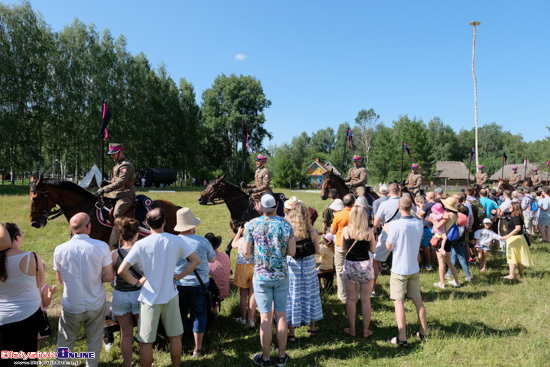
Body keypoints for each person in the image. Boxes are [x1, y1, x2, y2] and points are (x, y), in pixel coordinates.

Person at [118, 208, 200, 367]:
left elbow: (121, 270)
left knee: (146, 342)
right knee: (175, 337)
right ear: (164, 222)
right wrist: (179, 276)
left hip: (148, 298)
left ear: (147, 224)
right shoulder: (177, 240)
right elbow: (195, 260)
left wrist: (136, 282)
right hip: (170, 295)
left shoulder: (141, 244)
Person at [53, 213, 114, 367]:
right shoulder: (101, 246)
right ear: (88, 226)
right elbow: (108, 276)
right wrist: (94, 278)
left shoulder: (60, 249)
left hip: (71, 304)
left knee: (65, 344)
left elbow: (60, 280)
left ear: (71, 228)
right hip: (95, 302)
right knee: (94, 341)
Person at [244, 194, 295, 367]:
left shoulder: (251, 225)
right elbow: (292, 252)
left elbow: (246, 252)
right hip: (281, 274)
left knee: (265, 317)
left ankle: (265, 358)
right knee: (281, 315)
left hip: (261, 275)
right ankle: (281, 356)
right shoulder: (286, 224)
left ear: (259, 206)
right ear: (277, 205)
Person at [385, 197, 428, 347]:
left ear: (399, 207)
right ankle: (424, 332)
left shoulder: (395, 225)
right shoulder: (418, 223)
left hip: (399, 268)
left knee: (398, 302)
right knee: (418, 301)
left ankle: (402, 338)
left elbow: (389, 246)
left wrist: (387, 231)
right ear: (412, 207)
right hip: (413, 267)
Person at [174, 208, 216, 358]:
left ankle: (178, 345)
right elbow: (212, 259)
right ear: (192, 226)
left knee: (179, 315)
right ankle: (197, 349)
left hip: (178, 284)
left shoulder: (173, 241)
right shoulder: (203, 241)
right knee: (199, 315)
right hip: (200, 284)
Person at [0, 223, 44, 363]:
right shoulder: (33, 257)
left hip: (3, 317)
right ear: (17, 237)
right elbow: (40, 284)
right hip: (29, 315)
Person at [286, 201, 323, 342]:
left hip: (293, 267)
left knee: (293, 296)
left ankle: (292, 333)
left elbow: (287, 251)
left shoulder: (289, 231)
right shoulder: (312, 230)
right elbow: (317, 251)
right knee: (311, 294)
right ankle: (312, 328)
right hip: (308, 267)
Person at [111, 218, 142, 367]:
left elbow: (111, 276)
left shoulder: (114, 254)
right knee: (143, 333)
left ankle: (127, 364)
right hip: (140, 294)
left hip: (120, 295)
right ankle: (146, 361)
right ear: (136, 234)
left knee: (126, 333)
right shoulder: (143, 252)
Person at [341, 206, 376, 338]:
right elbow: (373, 250)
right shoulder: (369, 231)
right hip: (365, 265)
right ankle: (366, 331)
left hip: (350, 264)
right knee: (366, 300)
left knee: (351, 299)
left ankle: (352, 329)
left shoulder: (346, 230)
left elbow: (343, 247)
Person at [95, 143, 136, 245]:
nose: (112, 156)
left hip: (126, 194)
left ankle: (123, 238)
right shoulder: (118, 164)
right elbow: (116, 181)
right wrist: (107, 183)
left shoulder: (126, 165)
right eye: (111, 154)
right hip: (116, 193)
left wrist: (104, 189)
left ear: (120, 153)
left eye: (114, 154)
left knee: (117, 213)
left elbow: (121, 182)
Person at [372, 183, 401, 296]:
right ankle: (400, 289)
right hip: (402, 235)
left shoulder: (385, 204)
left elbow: (375, 223)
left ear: (389, 191)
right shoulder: (404, 202)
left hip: (387, 234)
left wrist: (382, 223)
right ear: (399, 191)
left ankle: (373, 289)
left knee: (375, 260)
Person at [430, 197, 461, 289]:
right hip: (448, 240)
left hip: (441, 238)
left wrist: (431, 220)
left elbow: (438, 226)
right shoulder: (456, 215)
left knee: (441, 262)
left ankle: (442, 283)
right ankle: (456, 281)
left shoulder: (447, 215)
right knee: (448, 261)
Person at [331, 194, 355, 303]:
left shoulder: (339, 214)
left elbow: (332, 231)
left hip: (340, 243)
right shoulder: (357, 213)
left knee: (340, 270)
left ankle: (342, 295)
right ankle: (355, 295)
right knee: (354, 268)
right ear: (354, 202)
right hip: (354, 243)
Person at [500, 202, 534, 279]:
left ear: (514, 208)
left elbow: (517, 228)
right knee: (520, 256)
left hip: (514, 239)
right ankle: (520, 274)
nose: (509, 207)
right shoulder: (519, 216)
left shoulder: (515, 217)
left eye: (511, 206)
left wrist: (506, 236)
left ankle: (511, 275)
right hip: (520, 238)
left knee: (512, 256)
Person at [232, 227, 257, 329]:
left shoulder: (241, 241)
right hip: (253, 267)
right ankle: (252, 317)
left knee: (243, 295)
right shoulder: (255, 241)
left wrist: (238, 232)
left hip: (242, 268)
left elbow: (233, 244)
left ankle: (243, 318)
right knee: (252, 294)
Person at [206, 232, 231, 315]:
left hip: (210, 292)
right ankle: (214, 309)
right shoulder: (225, 256)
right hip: (223, 291)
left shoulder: (204, 259)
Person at [37, 266, 58, 349]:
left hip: (25, 316)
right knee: (37, 342)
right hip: (39, 317)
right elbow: (46, 303)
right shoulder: (44, 287)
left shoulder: (25, 286)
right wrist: (51, 293)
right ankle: (34, 360)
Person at [415, 192, 436, 270]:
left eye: (426, 196)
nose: (425, 197)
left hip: (427, 228)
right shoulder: (437, 204)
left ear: (430, 197)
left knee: (425, 247)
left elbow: (420, 215)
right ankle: (433, 263)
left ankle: (429, 264)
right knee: (433, 246)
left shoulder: (427, 205)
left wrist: (420, 207)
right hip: (435, 227)